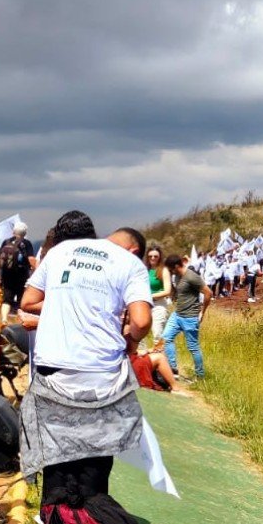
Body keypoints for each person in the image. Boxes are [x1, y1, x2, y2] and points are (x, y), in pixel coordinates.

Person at [17, 212, 153, 507]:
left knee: (56, 452)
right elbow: (141, 321)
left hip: (54, 366)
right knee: (94, 455)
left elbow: (27, 302)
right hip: (101, 370)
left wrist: (63, 305)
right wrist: (131, 343)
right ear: (133, 250)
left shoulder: (58, 253)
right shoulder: (130, 264)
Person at [161, 253, 208, 380]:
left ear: (176, 266)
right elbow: (178, 290)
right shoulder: (176, 276)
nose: (170, 272)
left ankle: (200, 376)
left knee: (193, 347)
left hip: (190, 317)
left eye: (171, 269)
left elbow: (209, 293)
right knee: (166, 338)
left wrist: (202, 312)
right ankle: (173, 369)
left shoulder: (192, 277)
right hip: (177, 314)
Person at [0, 224, 35, 319]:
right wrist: (35, 271)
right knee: (21, 298)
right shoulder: (26, 243)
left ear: (13, 231)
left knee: (6, 299)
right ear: (25, 233)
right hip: (21, 275)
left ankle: (4, 319)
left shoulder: (6, 242)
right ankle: (20, 319)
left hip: (6, 275)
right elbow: (31, 259)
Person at [144, 244, 171, 346]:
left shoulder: (164, 270)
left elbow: (168, 291)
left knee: (157, 332)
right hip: (145, 304)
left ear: (159, 257)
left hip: (158, 304)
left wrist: (152, 296)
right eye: (150, 256)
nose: (153, 258)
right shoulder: (144, 270)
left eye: (155, 256)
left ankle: (161, 358)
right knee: (141, 334)